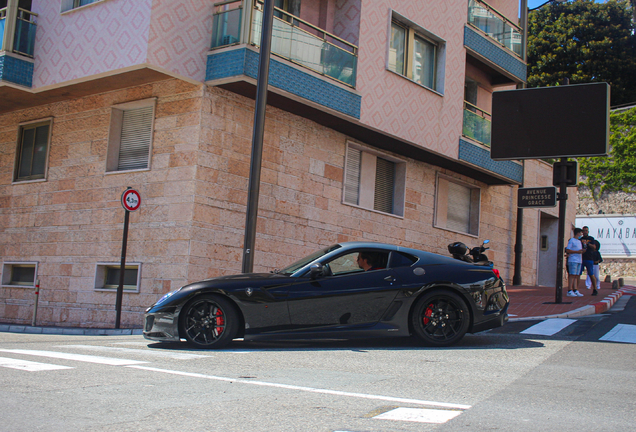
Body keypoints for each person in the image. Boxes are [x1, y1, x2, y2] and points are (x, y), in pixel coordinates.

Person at [565, 228, 586, 297]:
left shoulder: (579, 241)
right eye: (580, 233)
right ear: (577, 233)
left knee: (577, 275)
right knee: (572, 275)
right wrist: (577, 252)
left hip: (579, 260)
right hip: (573, 260)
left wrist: (582, 251)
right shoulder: (572, 240)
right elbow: (568, 250)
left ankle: (575, 289)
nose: (581, 234)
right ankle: (569, 290)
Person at [580, 226, 599, 296]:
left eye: (586, 231)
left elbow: (594, 247)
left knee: (591, 274)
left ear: (588, 231)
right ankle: (576, 290)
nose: (585, 232)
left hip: (589, 258)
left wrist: (588, 244)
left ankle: (595, 289)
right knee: (578, 274)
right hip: (581, 258)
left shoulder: (591, 239)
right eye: (584, 231)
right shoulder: (580, 239)